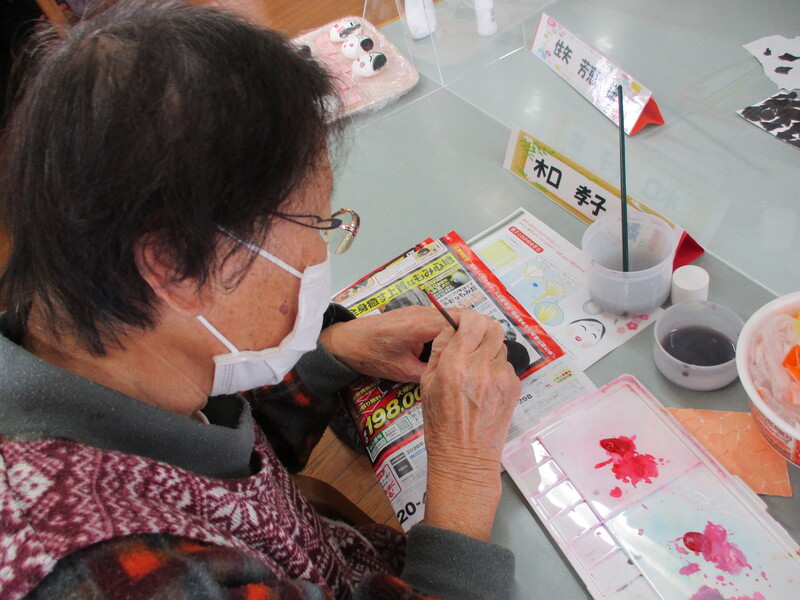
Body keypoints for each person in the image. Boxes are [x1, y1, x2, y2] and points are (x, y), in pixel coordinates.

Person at [0, 2, 522, 599]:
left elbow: (215, 470)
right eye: (318, 224)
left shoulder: (94, 349)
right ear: (174, 265)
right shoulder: (113, 577)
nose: (321, 253)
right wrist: (464, 476)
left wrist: (332, 354)